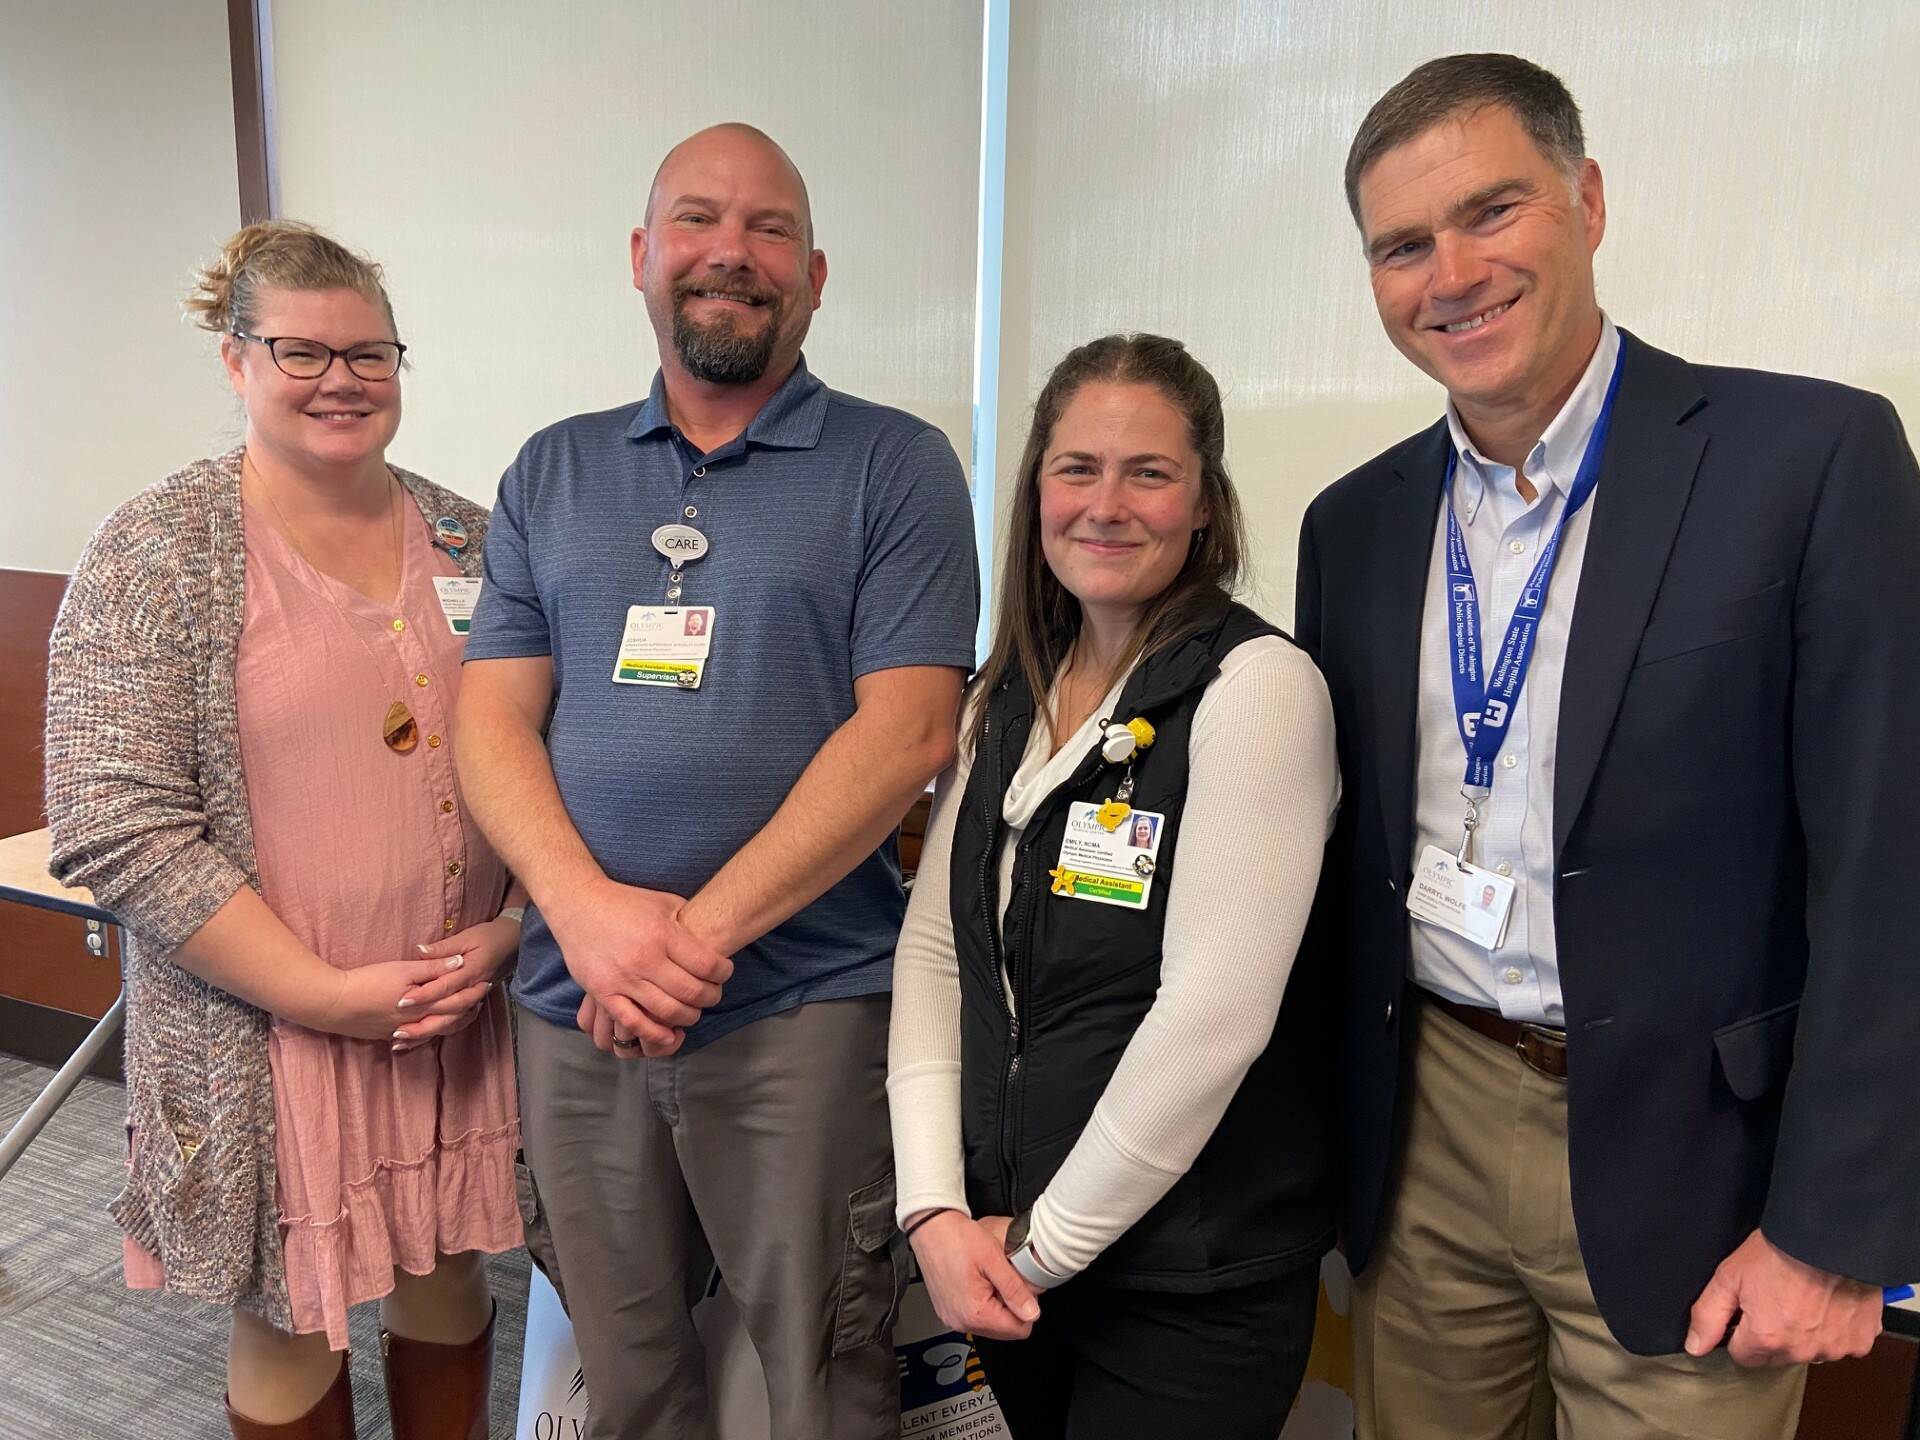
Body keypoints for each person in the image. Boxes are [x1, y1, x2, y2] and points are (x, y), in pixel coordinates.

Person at [1296, 52, 1920, 1439]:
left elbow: (1891, 866)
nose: (1449, 273)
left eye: (1492, 212)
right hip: (1427, 1134)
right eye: (1402, 246)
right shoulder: (1356, 525)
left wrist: (1839, 1228)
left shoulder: (1809, 459)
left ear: (1586, 200)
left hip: (1694, 1157)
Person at [454, 123, 977, 1439]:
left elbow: (911, 729)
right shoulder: (552, 471)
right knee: (622, 1369)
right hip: (577, 1012)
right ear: (642, 255)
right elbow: (491, 721)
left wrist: (689, 938)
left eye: (769, 230)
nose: (730, 254)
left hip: (799, 1007)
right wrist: (585, 917)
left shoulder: (897, 467)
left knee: (824, 1368)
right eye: (698, 221)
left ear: (814, 272)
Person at [43, 221, 525, 1439]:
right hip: (275, 1030)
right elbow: (111, 822)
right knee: (290, 1308)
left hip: (455, 1007)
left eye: (371, 353)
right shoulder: (158, 551)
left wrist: (513, 930)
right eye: (301, 350)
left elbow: (547, 753)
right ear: (234, 359)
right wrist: (324, 993)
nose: (343, 380)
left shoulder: (475, 536)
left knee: (447, 1260)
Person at [890, 334, 1341, 1439]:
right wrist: (934, 1209)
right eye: (1076, 468)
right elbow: (938, 951)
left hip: (1184, 1276)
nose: (1107, 504)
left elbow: (1212, 1021)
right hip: (1014, 1253)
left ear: (1204, 504)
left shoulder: (1256, 691)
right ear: (1036, 484)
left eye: (1150, 473)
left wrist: (1039, 1247)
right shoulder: (1013, 691)